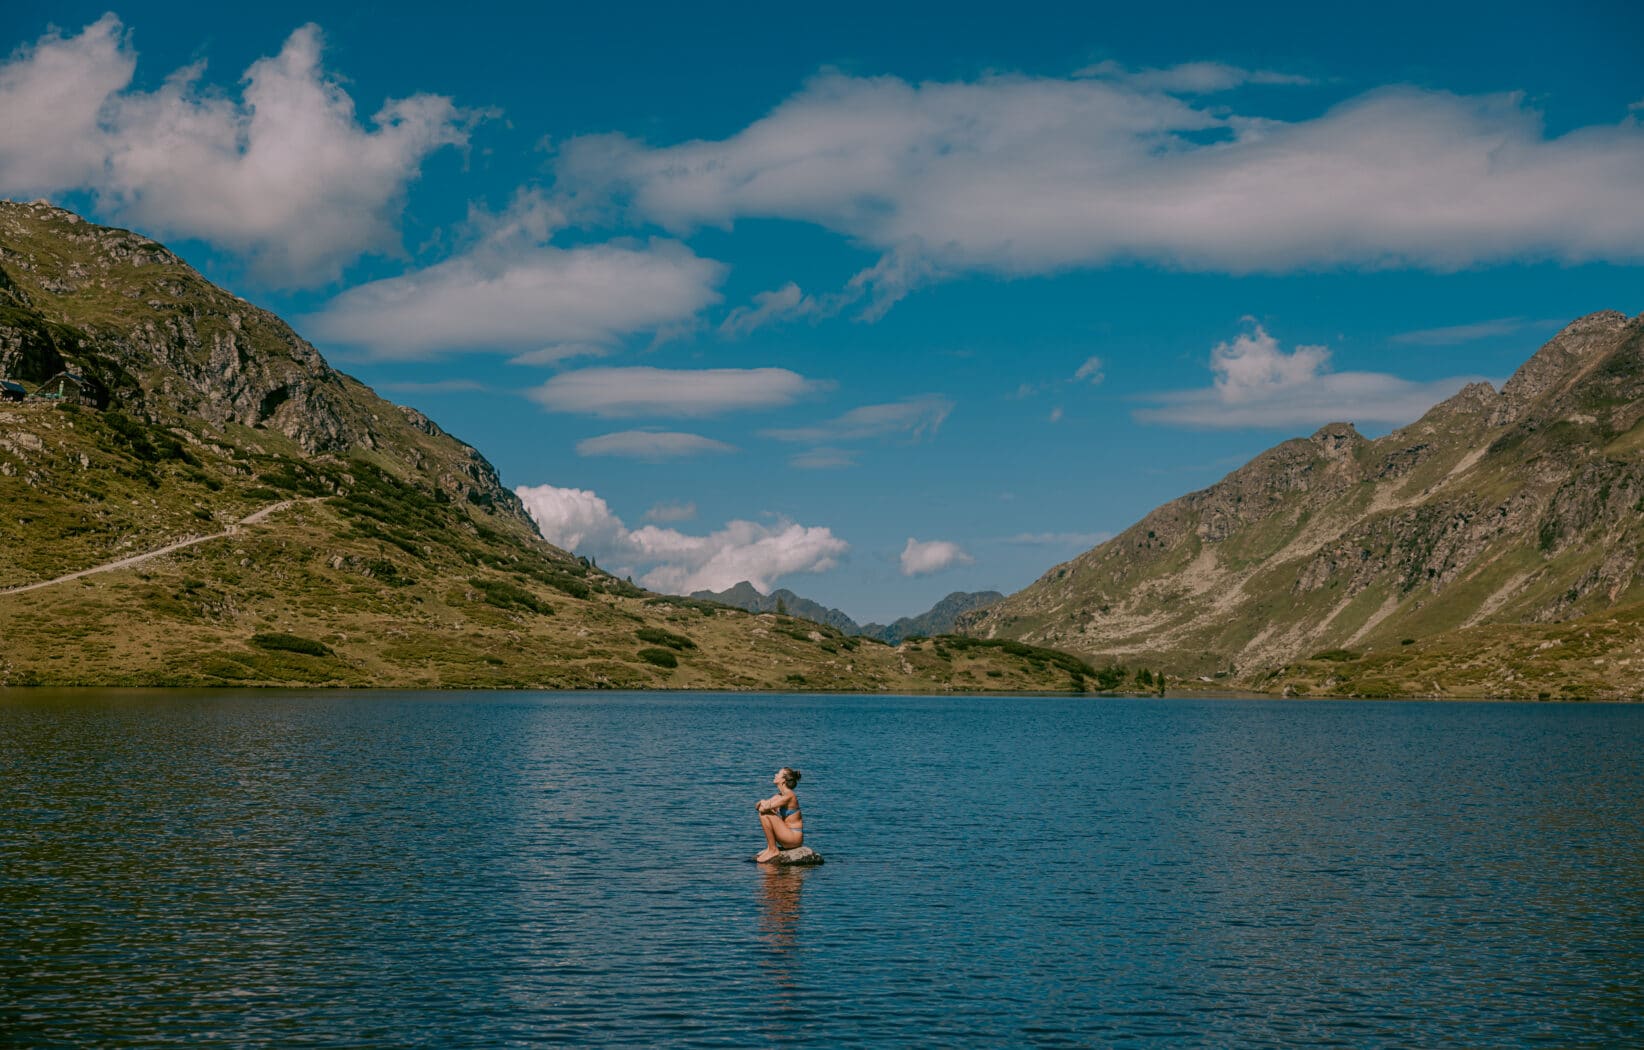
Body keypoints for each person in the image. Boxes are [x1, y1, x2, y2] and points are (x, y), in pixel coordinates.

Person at [754, 767, 803, 862]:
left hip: (794, 838)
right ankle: (770, 848)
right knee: (764, 813)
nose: (775, 775)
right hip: (787, 835)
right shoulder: (780, 795)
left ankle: (773, 850)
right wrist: (763, 803)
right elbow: (758, 807)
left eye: (778, 774)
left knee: (764, 814)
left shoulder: (789, 795)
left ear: (783, 780)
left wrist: (763, 802)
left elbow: (764, 807)